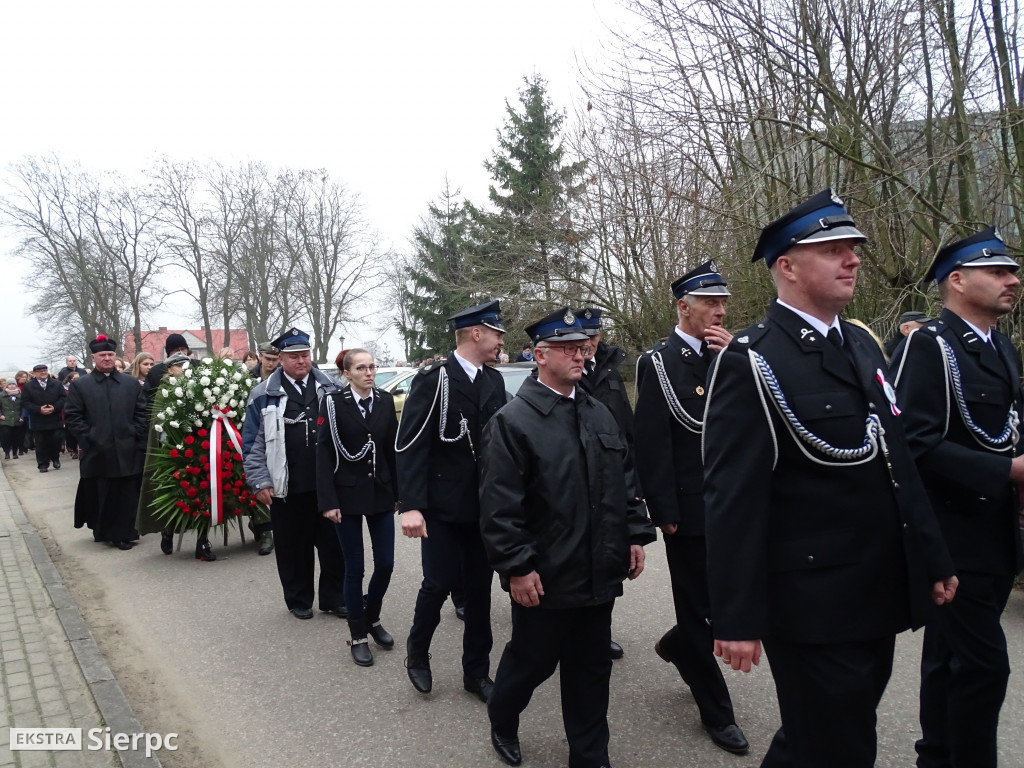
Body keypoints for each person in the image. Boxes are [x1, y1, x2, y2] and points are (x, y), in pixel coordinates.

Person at [703, 188, 957, 768]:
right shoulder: (752, 359)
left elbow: (898, 463)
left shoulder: (862, 343)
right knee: (838, 747)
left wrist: (934, 558)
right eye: (833, 249)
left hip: (877, 588)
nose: (853, 259)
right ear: (786, 267)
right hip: (812, 603)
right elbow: (733, 499)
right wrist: (737, 617)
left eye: (854, 248)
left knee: (824, 736)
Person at [480, 306, 656, 768]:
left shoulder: (598, 413)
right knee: (532, 662)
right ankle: (503, 716)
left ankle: (590, 754)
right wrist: (517, 566)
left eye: (583, 347)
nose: (581, 355)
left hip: (599, 570)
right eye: (568, 348)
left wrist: (635, 534)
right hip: (545, 577)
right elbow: (500, 507)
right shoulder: (513, 421)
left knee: (591, 669)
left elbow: (625, 482)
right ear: (539, 355)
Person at [891, 226, 1024, 768]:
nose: (1012, 280)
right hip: (951, 537)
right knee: (985, 667)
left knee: (951, 659)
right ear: (957, 280)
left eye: (1012, 271)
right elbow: (910, 444)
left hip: (995, 537)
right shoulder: (928, 346)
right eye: (998, 271)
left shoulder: (1001, 346)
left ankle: (936, 755)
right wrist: (1006, 471)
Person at [633, 261, 748, 756]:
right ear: (685, 307)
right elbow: (652, 440)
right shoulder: (657, 362)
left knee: (732, 598)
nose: (721, 311)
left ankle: (680, 643)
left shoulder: (737, 354)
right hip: (691, 506)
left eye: (724, 303)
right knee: (699, 608)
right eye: (711, 304)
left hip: (738, 502)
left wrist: (738, 361)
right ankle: (717, 712)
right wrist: (662, 508)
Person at [396, 300, 506, 701]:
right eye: (496, 333)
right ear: (476, 333)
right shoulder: (434, 380)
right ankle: (417, 652)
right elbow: (409, 444)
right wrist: (410, 505)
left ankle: (476, 672)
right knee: (438, 583)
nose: (500, 341)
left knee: (480, 591)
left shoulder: (493, 383)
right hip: (441, 506)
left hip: (482, 508)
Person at [242, 328, 346, 620]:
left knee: (334, 546)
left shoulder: (331, 389)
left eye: (305, 355)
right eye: (294, 356)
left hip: (328, 485)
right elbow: (251, 444)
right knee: (292, 548)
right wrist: (260, 480)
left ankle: (334, 597)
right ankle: (299, 599)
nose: (301, 361)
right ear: (281, 359)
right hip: (286, 486)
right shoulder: (263, 394)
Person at [317, 348, 399, 666]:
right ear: (346, 373)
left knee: (387, 564)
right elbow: (323, 453)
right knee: (355, 569)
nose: (369, 372)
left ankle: (372, 616)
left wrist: (400, 493)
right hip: (346, 497)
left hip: (380, 493)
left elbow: (391, 448)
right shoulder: (333, 404)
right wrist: (328, 502)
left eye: (372, 367)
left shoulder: (384, 400)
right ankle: (358, 634)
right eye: (361, 368)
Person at [576, 306, 634, 661]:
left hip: (613, 476)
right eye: (586, 337)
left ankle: (600, 634)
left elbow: (628, 428)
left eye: (597, 336)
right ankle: (577, 634)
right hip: (579, 477)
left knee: (611, 559)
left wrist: (635, 481)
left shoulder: (610, 369)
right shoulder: (567, 371)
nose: (592, 343)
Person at [65, 335, 148, 551]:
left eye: (111, 354)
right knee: (103, 494)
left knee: (127, 494)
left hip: (127, 448)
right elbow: (73, 416)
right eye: (103, 355)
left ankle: (125, 533)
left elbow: (142, 413)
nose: (107, 358)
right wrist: (89, 438)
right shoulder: (81, 385)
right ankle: (105, 531)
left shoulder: (130, 384)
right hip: (97, 451)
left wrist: (134, 433)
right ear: (94, 358)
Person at [21, 364, 65, 473]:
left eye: (45, 370)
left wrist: (54, 408)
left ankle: (55, 458)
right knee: (40, 443)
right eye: (40, 371)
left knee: (55, 440)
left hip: (54, 418)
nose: (43, 373)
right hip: (38, 419)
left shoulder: (56, 384)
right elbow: (25, 402)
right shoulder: (28, 386)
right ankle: (43, 464)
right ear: (34, 373)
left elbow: (63, 398)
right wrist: (38, 409)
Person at [0, 381, 24, 460]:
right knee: (6, 436)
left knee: (16, 438)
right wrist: (1, 415)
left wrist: (22, 416)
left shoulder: (20, 395)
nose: (11, 386)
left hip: (17, 420)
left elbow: (24, 407)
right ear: (7, 386)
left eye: (13, 384)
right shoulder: (2, 395)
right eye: (9, 384)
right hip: (5, 420)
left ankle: (14, 453)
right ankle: (7, 452)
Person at [61, 371, 81, 459]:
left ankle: (80, 449)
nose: (77, 380)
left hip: (80, 413)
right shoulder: (64, 389)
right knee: (70, 434)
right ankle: (73, 449)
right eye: (75, 378)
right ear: (69, 379)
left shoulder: (83, 387)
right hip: (67, 413)